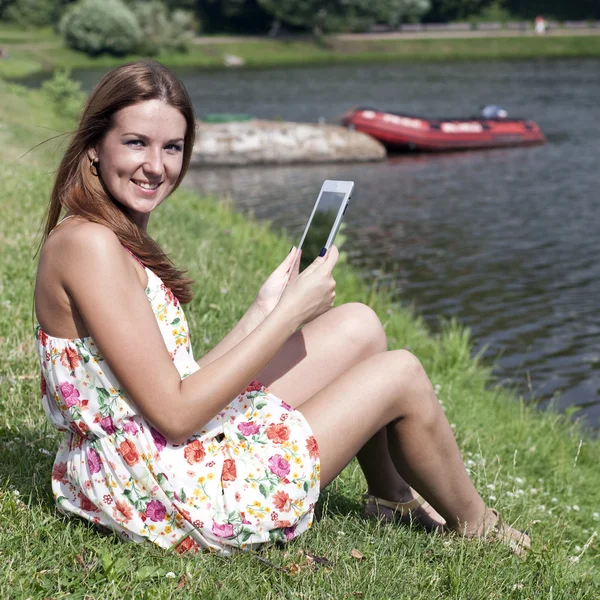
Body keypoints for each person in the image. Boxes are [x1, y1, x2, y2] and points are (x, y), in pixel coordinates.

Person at [34, 60, 530, 556]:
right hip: (165, 492)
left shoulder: (107, 231)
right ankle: (480, 527)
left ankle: (391, 496)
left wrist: (263, 311)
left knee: (360, 325)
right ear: (95, 145)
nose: (157, 166)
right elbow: (177, 414)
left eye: (173, 147)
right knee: (401, 373)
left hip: (150, 455)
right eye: (137, 142)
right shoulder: (90, 246)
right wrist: (290, 315)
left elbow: (175, 380)